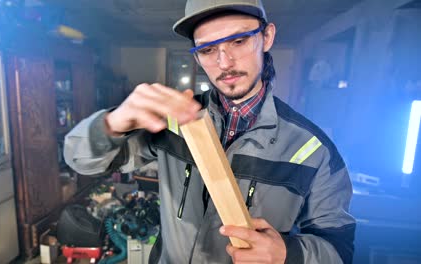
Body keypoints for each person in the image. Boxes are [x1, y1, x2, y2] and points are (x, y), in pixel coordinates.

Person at [64, 0, 356, 263]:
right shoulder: (173, 119)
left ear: (266, 37)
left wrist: (288, 253)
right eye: (207, 49)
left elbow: (339, 249)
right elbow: (80, 161)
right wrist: (111, 124)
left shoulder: (314, 150)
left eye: (239, 41)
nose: (224, 62)